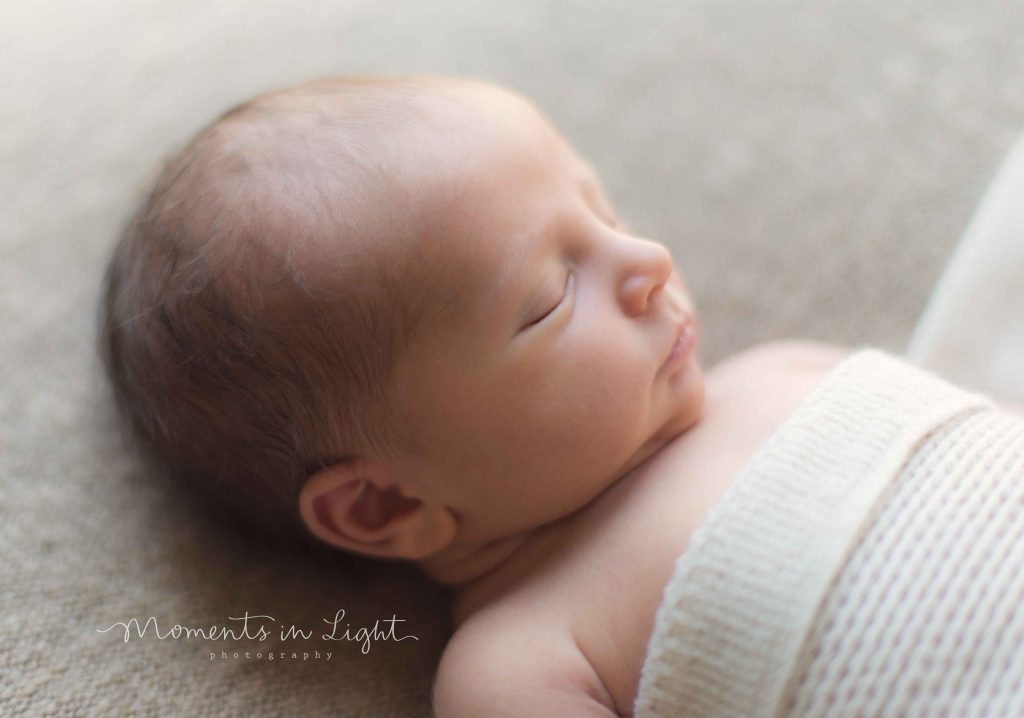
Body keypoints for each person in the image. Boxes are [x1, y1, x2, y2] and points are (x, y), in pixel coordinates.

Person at [99, 75, 1024, 716]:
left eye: (606, 215)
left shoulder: (774, 373)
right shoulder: (520, 659)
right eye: (548, 298)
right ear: (387, 502)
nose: (647, 263)